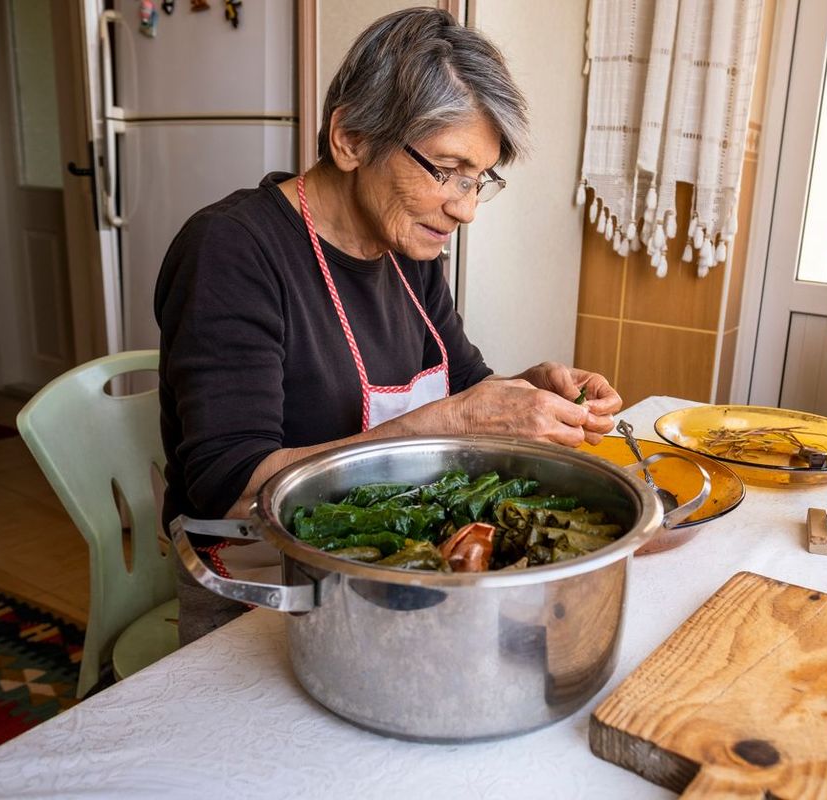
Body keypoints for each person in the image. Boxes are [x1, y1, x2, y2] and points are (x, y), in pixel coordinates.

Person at [156, 8, 622, 643]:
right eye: (446, 171)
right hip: (265, 595)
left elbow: (464, 388)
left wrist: (527, 391)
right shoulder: (232, 251)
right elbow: (229, 490)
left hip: (397, 571)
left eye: (479, 180)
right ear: (350, 138)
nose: (465, 208)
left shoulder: (408, 247)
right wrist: (457, 420)